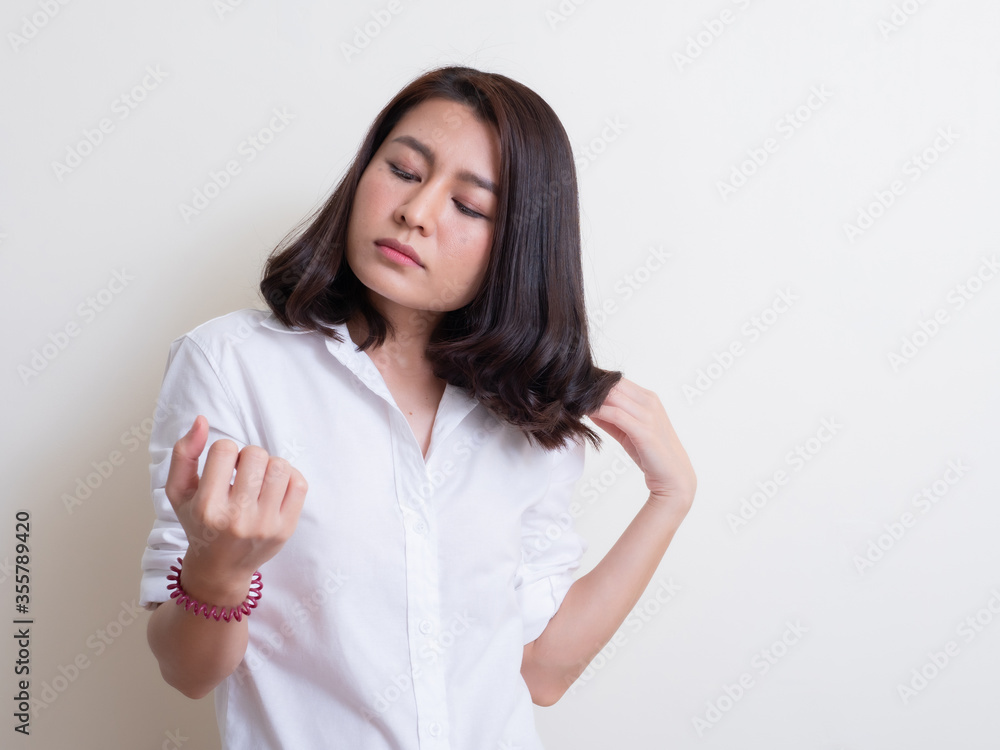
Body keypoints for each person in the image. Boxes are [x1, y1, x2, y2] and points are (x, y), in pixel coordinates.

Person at [140, 65, 696, 749]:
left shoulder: (524, 418)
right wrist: (216, 571)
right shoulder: (232, 364)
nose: (417, 211)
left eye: (469, 207)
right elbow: (188, 671)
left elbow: (540, 671)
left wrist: (670, 496)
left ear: (519, 246)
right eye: (404, 170)